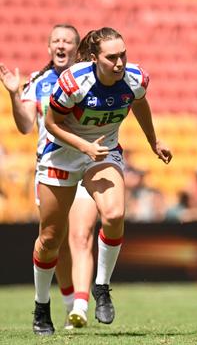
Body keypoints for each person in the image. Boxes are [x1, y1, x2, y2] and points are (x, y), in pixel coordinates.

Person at [29, 26, 172, 335]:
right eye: (111, 58)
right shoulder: (74, 83)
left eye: (123, 55)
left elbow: (139, 103)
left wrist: (153, 141)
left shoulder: (135, 78)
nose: (119, 63)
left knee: (115, 214)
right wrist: (83, 146)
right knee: (51, 239)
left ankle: (102, 287)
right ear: (94, 58)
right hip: (62, 154)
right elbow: (51, 123)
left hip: (103, 152)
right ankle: (42, 306)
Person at [0, 24, 102, 331]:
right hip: (52, 168)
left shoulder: (89, 79)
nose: (61, 45)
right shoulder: (39, 82)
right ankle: (49, 304)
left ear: (76, 48)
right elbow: (24, 125)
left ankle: (80, 306)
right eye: (56, 41)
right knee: (52, 241)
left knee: (81, 235)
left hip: (86, 165)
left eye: (67, 41)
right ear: (49, 48)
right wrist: (14, 95)